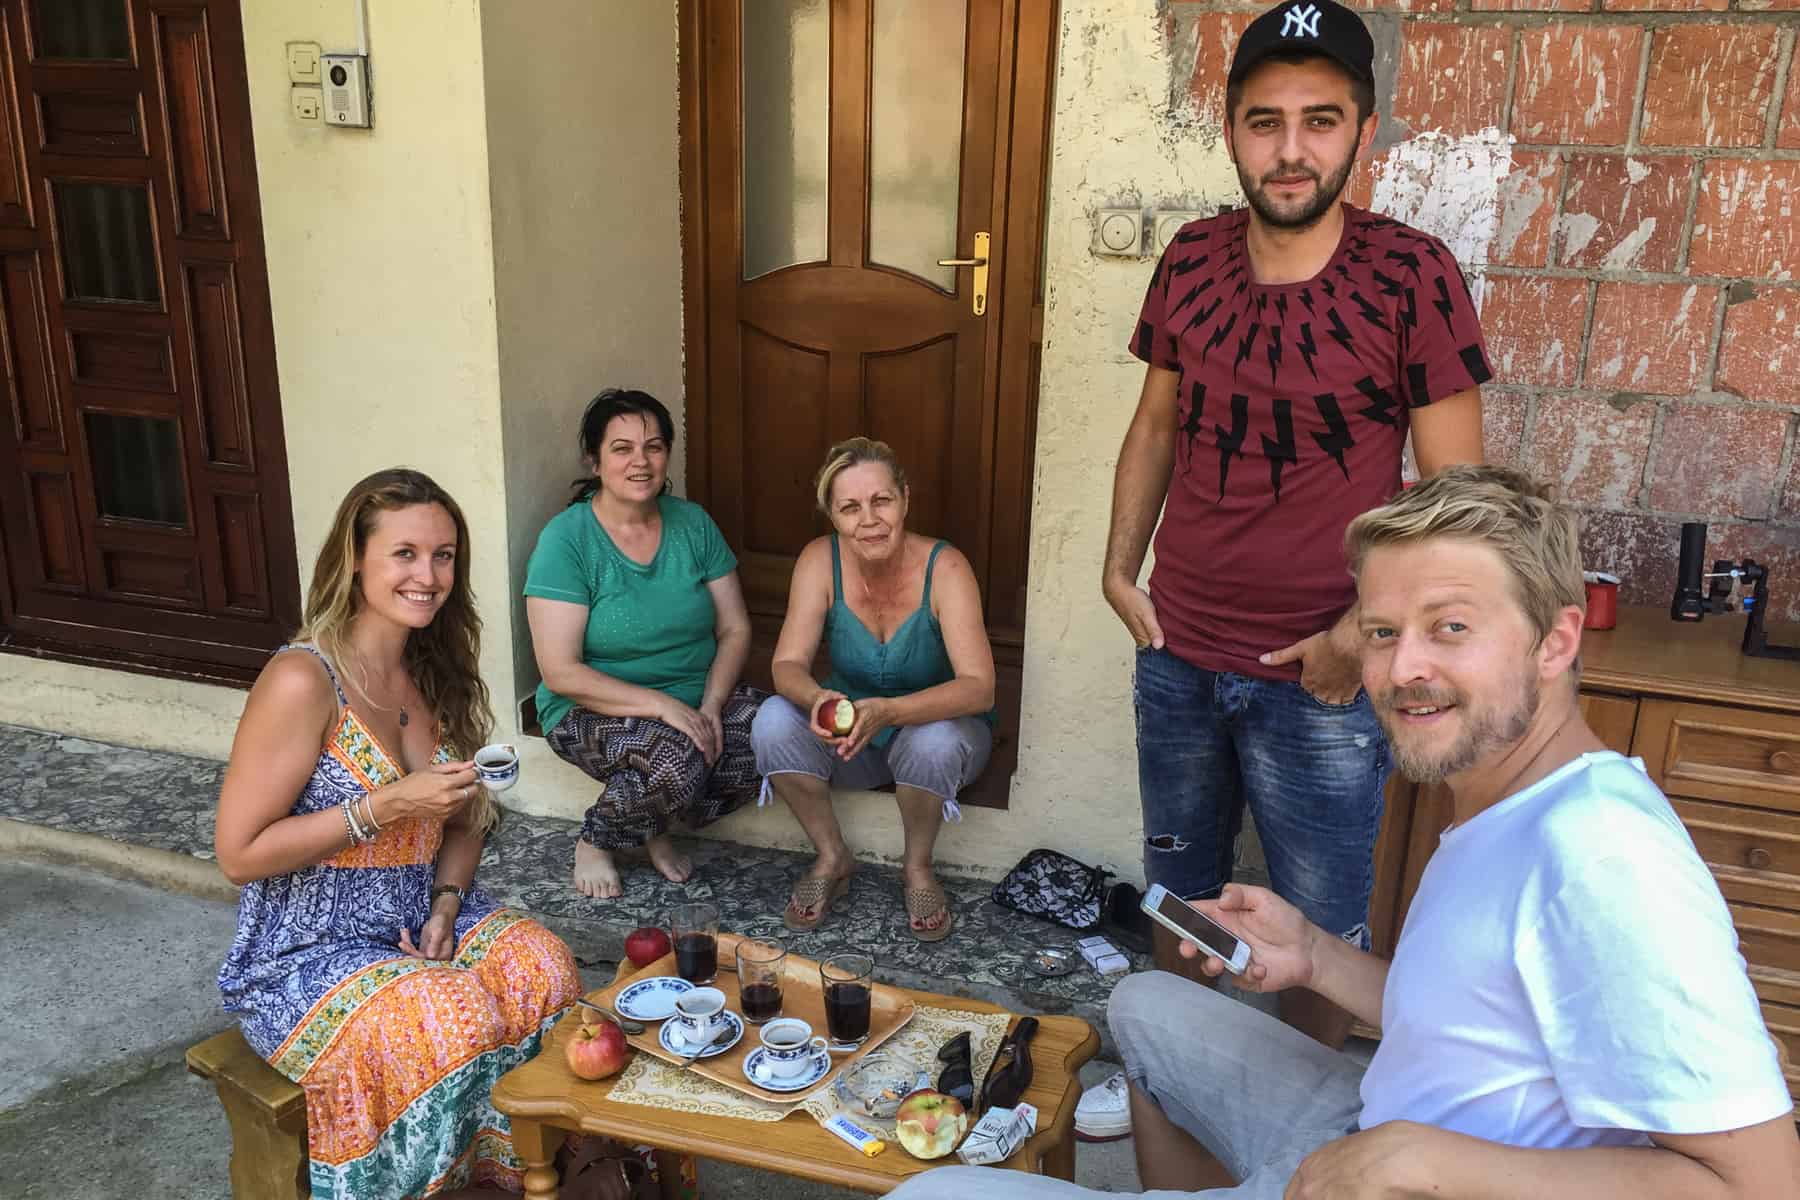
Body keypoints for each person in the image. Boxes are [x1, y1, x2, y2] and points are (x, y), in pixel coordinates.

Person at [894, 465, 1800, 1199]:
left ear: (1555, 642)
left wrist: (1421, 1163)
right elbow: (1471, 1021)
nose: (1406, 668)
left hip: (1420, 1171)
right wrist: (1314, 957)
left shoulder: (1606, 857)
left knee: (930, 1198)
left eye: (1451, 627)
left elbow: (1757, 1184)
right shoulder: (1500, 797)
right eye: (1380, 631)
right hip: (1375, 1122)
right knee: (1147, 1003)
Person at [1099, 0, 1491, 1070]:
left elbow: (1458, 506)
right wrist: (1116, 566)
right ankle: (1186, 1084)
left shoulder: (1413, 276)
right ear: (1229, 130)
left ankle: (1309, 1123)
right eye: (1265, 120)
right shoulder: (1188, 258)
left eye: (1321, 120)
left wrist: (1356, 638)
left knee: (1316, 931)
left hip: (1317, 682)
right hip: (1175, 655)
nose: (1290, 148)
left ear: (1365, 133)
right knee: (1183, 897)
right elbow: (1155, 425)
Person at [215, 468, 584, 1200]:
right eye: (405, 554)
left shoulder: (435, 670)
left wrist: (447, 906)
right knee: (448, 1016)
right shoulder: (303, 679)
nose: (428, 575)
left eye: (444, 555)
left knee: (542, 968)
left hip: (415, 914)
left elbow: (470, 816)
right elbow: (238, 853)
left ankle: (527, 1182)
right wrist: (384, 808)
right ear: (356, 559)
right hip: (302, 951)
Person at [751, 437, 996, 940]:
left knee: (934, 740)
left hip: (941, 734)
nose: (869, 519)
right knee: (773, 720)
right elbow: (787, 665)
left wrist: (890, 711)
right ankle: (832, 854)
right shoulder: (819, 560)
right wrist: (817, 699)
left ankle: (918, 869)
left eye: (881, 500)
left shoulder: (946, 567)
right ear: (833, 516)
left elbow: (980, 689)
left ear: (905, 498)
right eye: (850, 507)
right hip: (854, 735)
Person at [526, 388, 764, 899]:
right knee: (676, 758)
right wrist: (663, 708)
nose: (641, 461)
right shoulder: (566, 540)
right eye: (622, 448)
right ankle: (598, 839)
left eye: (654, 447)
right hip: (590, 705)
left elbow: (735, 628)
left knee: (770, 735)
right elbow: (560, 672)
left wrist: (712, 704)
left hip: (694, 691)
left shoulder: (692, 524)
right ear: (594, 460)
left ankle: (654, 821)